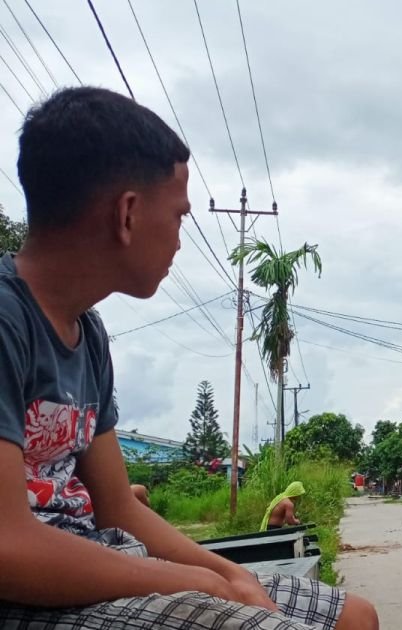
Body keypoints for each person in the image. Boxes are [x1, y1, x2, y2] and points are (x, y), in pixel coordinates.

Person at [0, 86, 377, 630]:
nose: (179, 239)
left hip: (98, 561)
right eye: (179, 216)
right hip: (28, 595)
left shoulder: (88, 333)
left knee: (355, 616)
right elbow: (9, 545)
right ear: (127, 214)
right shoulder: (8, 322)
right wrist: (197, 583)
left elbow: (118, 507)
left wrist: (228, 574)